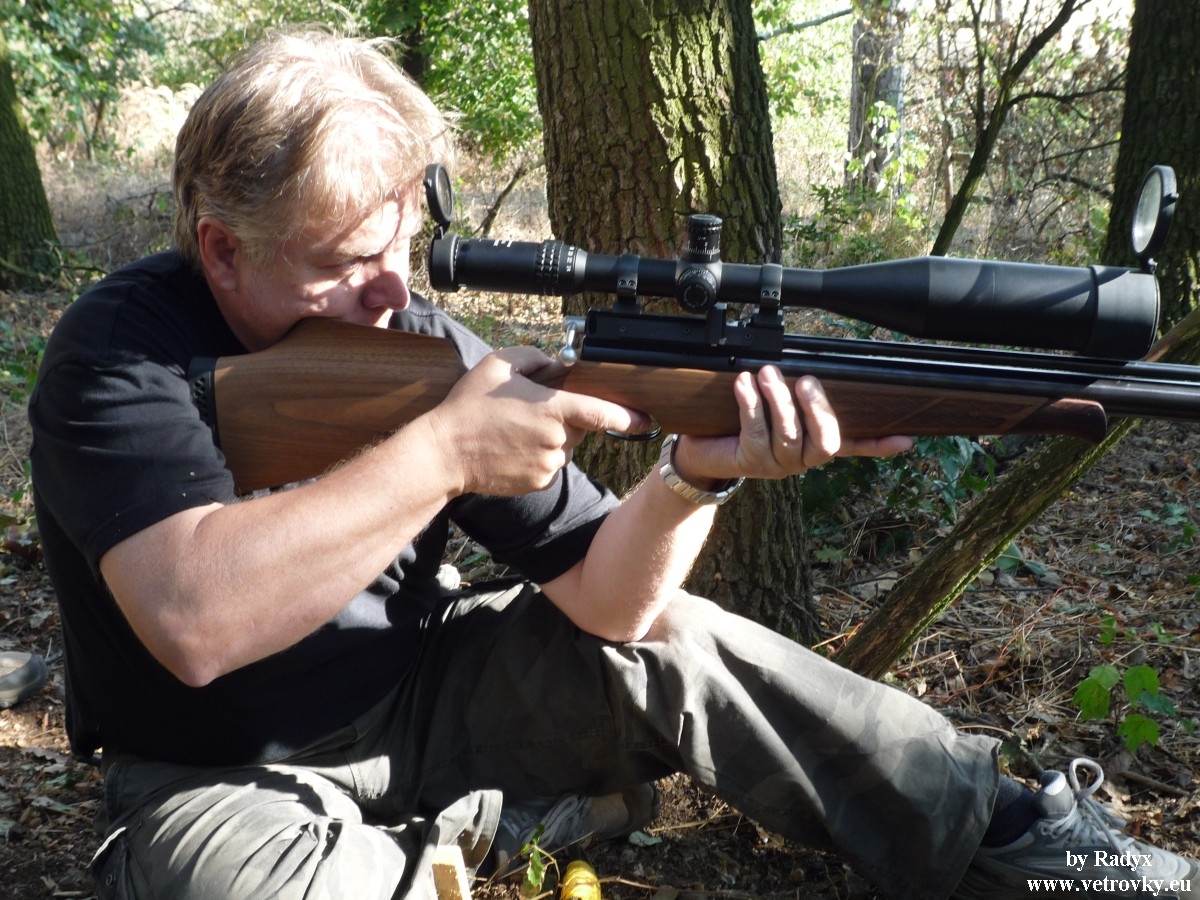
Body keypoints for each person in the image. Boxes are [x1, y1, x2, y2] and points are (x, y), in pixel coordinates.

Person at [27, 28, 1196, 900]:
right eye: (345, 263)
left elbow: (609, 602)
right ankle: (484, 834)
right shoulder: (121, 352)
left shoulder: (418, 343)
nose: (390, 292)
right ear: (223, 250)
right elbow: (194, 620)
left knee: (678, 636)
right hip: (209, 777)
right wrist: (443, 454)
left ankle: (1011, 832)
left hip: (428, 703)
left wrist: (695, 476)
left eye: (403, 249)